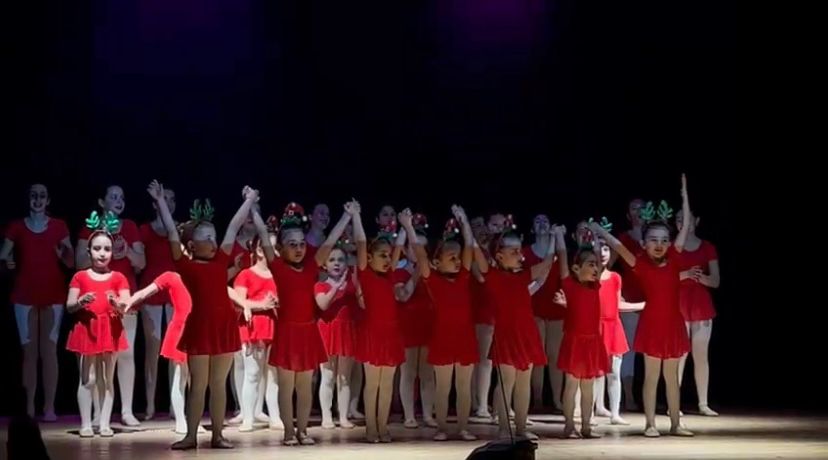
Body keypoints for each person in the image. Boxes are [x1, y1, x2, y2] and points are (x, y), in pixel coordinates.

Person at [595, 175, 695, 437]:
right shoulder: (640, 264)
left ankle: (675, 423)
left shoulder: (675, 259)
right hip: (651, 325)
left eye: (663, 240)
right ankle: (650, 423)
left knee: (672, 379)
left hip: (673, 325)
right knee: (651, 377)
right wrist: (599, 231)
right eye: (653, 239)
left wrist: (684, 196)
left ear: (669, 243)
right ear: (643, 243)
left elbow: (685, 228)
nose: (659, 245)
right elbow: (618, 246)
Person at [0, 183, 74, 421]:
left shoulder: (59, 226)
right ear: (28, 199)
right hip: (24, 295)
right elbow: (3, 256)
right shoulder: (16, 227)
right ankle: (29, 408)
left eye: (42, 196)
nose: (38, 199)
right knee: (29, 352)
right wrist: (7, 262)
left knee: (49, 351)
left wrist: (62, 253)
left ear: (48, 200)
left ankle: (49, 407)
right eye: (34, 196)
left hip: (53, 295)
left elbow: (71, 261)